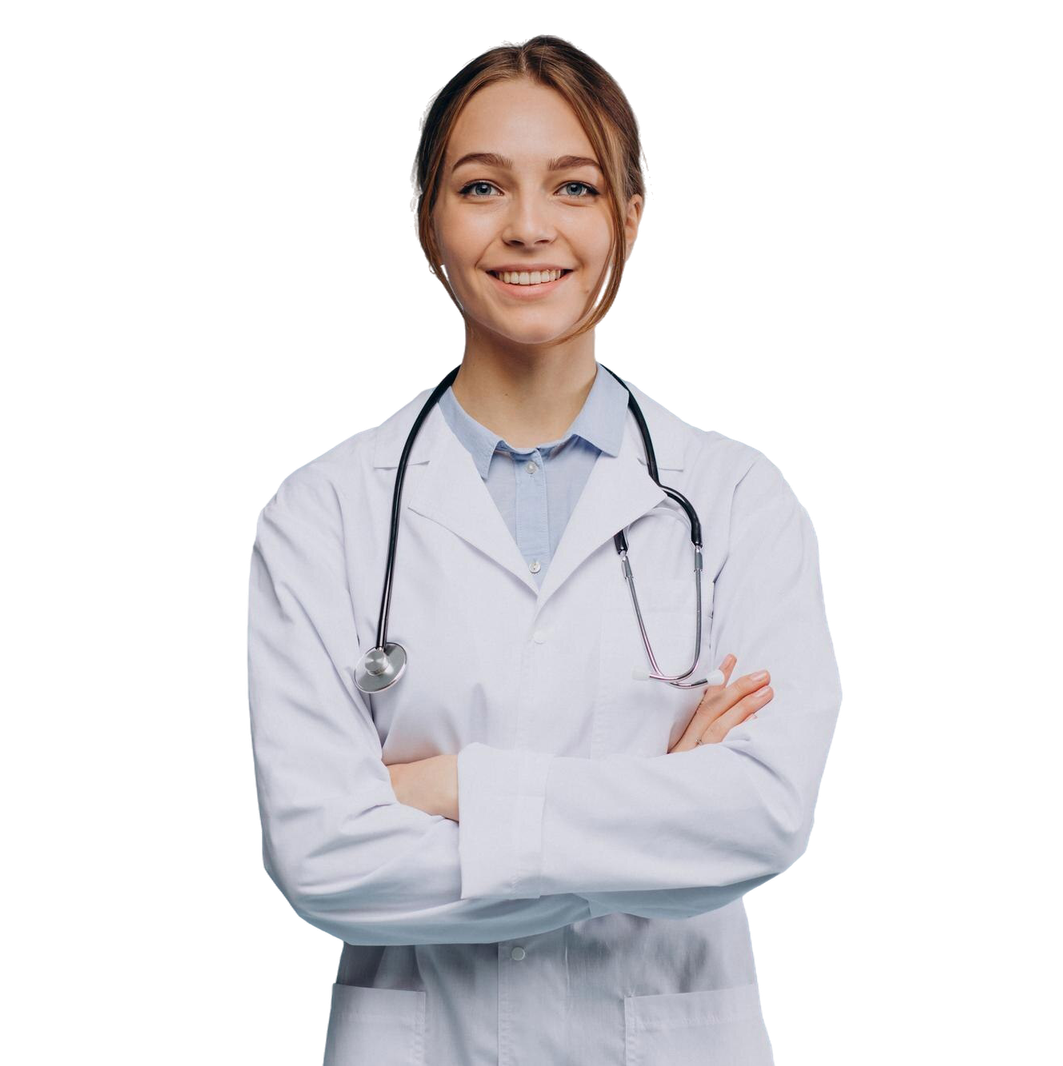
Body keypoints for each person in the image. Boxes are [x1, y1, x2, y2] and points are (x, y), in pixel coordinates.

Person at [246, 34, 841, 1066]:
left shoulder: (739, 498)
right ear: (428, 224)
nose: (529, 228)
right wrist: (656, 804)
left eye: (574, 186)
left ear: (631, 218)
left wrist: (444, 788)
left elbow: (763, 816)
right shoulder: (323, 512)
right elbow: (317, 858)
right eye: (481, 187)